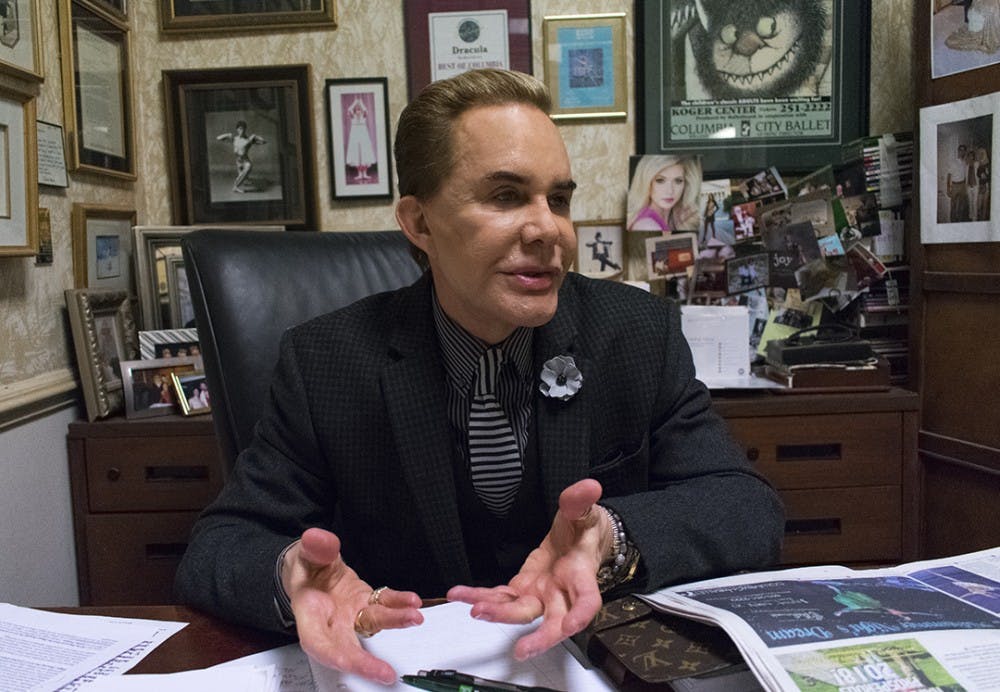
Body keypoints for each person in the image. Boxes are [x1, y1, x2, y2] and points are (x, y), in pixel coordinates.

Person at [175, 68, 783, 686]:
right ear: (419, 223)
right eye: (506, 197)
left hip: (592, 667)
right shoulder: (327, 360)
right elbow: (222, 543)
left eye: (558, 199)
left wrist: (612, 537)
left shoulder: (637, 334)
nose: (549, 229)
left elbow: (746, 506)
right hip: (407, 670)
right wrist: (290, 576)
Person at [626, 155, 701, 232]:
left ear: (686, 185)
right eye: (660, 180)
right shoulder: (647, 225)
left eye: (678, 181)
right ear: (646, 182)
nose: (670, 191)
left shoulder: (677, 219)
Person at [216, 121, 266, 193]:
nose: (241, 131)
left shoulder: (248, 140)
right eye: (239, 129)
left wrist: (256, 136)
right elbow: (218, 138)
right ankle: (246, 180)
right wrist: (227, 134)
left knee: (248, 167)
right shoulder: (234, 139)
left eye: (243, 129)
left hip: (245, 161)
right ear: (237, 129)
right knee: (242, 176)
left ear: (245, 129)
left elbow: (263, 142)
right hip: (238, 162)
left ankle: (235, 187)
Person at [344, 96, 377, 182]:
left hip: (363, 137)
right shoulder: (353, 117)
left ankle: (365, 174)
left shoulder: (363, 117)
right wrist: (355, 102)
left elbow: (365, 110)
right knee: (357, 155)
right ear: (355, 112)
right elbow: (349, 110)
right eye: (357, 110)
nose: (358, 111)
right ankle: (359, 174)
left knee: (364, 154)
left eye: (359, 110)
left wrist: (361, 103)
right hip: (355, 137)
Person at [947, 144, 971, 223]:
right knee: (953, 205)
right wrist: (948, 189)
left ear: (965, 152)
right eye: (960, 150)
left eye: (963, 150)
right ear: (958, 151)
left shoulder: (965, 162)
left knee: (961, 205)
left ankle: (960, 220)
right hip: (954, 185)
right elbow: (949, 175)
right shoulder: (953, 162)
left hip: (962, 185)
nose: (962, 152)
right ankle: (952, 221)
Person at [976, 146, 991, 221]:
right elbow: (978, 174)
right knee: (979, 204)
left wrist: (986, 175)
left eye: (982, 153)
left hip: (986, 185)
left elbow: (990, 176)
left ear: (985, 154)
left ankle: (983, 219)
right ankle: (979, 218)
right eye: (979, 153)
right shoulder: (979, 164)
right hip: (980, 185)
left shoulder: (988, 164)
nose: (981, 155)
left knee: (985, 204)